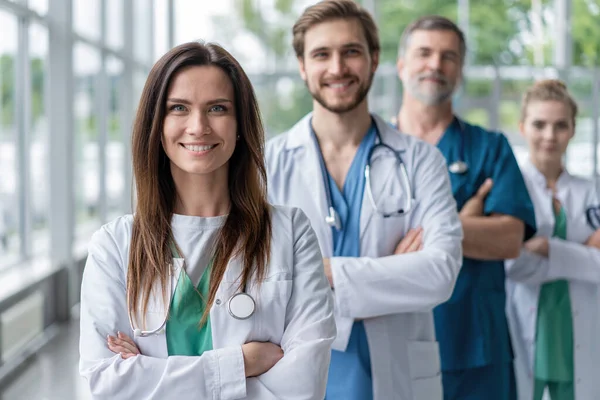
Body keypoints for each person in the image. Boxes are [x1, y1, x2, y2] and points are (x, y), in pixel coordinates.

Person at [78, 41, 336, 400]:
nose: (198, 127)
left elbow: (304, 385)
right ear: (157, 123)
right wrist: (242, 364)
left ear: (240, 124)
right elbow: (108, 382)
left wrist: (150, 374)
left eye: (217, 108)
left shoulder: (289, 233)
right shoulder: (115, 244)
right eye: (179, 108)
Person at [266, 2, 463, 399]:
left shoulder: (421, 159)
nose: (337, 68)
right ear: (303, 65)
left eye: (351, 52)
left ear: (374, 60)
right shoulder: (266, 164)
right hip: (293, 372)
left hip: (397, 373)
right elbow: (260, 283)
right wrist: (393, 270)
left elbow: (441, 273)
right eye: (322, 54)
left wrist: (322, 271)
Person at [394, 15, 537, 400]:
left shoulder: (490, 148)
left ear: (459, 71)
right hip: (392, 339)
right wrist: (464, 223)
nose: (435, 65)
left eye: (449, 56)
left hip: (476, 348)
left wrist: (419, 231)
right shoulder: (374, 150)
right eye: (424, 53)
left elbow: (509, 240)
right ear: (401, 65)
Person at [505, 80, 600, 400]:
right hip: (523, 324)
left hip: (578, 329)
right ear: (521, 127)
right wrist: (581, 256)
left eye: (560, 125)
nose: (549, 135)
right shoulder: (510, 188)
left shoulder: (592, 191)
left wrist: (546, 247)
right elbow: (512, 265)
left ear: (573, 129)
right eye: (539, 124)